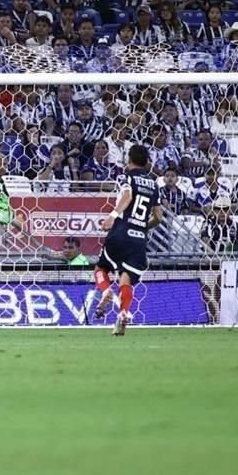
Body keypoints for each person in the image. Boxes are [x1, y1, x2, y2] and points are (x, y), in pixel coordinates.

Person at [88, 144, 164, 336]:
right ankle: (123, 312)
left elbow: (128, 195)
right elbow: (159, 217)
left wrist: (113, 216)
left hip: (120, 233)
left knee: (101, 268)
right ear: (147, 162)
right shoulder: (154, 184)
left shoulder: (125, 176)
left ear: (128, 160)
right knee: (126, 280)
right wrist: (142, 226)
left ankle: (105, 291)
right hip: (138, 240)